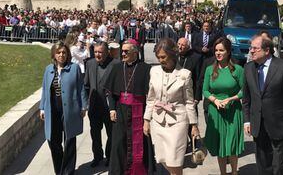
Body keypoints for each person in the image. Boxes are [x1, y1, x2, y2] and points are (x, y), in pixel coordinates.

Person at [242, 35, 283, 175]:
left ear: (267, 50)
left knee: (280, 167)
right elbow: (247, 98)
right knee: (263, 165)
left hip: (280, 125)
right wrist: (247, 120)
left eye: (255, 48)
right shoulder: (248, 68)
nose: (251, 51)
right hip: (258, 125)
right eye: (251, 48)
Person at [143, 38, 199, 175]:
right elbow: (151, 98)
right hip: (158, 121)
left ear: (172, 55)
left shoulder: (185, 74)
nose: (160, 60)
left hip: (178, 122)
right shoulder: (154, 71)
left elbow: (189, 102)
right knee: (162, 158)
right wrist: (146, 120)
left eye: (163, 57)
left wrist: (194, 125)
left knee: (175, 160)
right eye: (158, 57)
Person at [105, 39, 155, 175]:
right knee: (119, 143)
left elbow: (151, 94)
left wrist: (148, 118)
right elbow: (110, 91)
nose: (123, 54)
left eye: (126, 51)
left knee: (140, 143)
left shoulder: (145, 68)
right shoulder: (116, 68)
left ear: (135, 52)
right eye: (122, 51)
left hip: (139, 110)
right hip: (120, 111)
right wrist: (112, 108)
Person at [39, 41, 87, 175]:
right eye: (59, 52)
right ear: (54, 54)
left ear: (68, 54)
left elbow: (81, 88)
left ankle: (68, 171)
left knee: (70, 140)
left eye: (64, 52)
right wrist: (42, 107)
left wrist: (83, 106)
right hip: (53, 109)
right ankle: (59, 170)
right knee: (53, 141)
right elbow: (44, 89)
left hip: (70, 109)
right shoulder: (49, 69)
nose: (61, 55)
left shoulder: (74, 68)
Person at [202, 37, 244, 175]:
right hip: (216, 111)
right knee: (220, 145)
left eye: (221, 50)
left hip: (233, 111)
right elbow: (205, 90)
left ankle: (234, 172)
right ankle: (223, 173)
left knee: (231, 145)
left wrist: (231, 99)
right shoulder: (209, 69)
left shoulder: (237, 69)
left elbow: (245, 90)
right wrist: (215, 100)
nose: (218, 53)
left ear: (229, 51)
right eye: (216, 50)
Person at [84, 41, 120, 168]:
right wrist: (86, 103)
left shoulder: (116, 64)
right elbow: (86, 85)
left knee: (111, 134)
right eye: (96, 52)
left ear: (107, 52)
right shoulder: (90, 63)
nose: (98, 54)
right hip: (94, 107)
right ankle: (97, 156)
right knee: (95, 134)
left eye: (101, 52)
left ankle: (109, 156)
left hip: (110, 108)